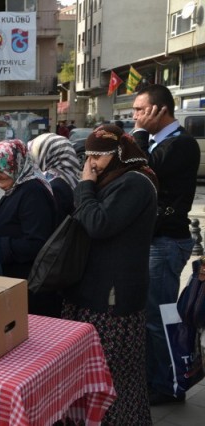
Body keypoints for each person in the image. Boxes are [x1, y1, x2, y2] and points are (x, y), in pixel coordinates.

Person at [61, 125, 158, 423]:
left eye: (99, 155)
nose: (91, 163)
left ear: (118, 153)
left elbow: (98, 224)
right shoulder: (113, 180)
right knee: (88, 378)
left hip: (113, 303)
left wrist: (85, 186)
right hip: (92, 294)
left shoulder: (135, 183)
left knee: (113, 381)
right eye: (88, 155)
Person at [131, 84, 201, 405]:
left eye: (139, 110)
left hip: (166, 242)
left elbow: (141, 170)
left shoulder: (181, 144)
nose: (135, 117)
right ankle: (154, 377)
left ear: (160, 110)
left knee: (159, 318)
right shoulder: (164, 142)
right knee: (150, 315)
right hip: (154, 240)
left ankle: (168, 385)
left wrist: (140, 134)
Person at [0, 140, 57, 316]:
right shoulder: (17, 187)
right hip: (14, 286)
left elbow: (37, 243)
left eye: (1, 168)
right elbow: (15, 223)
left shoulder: (33, 192)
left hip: (28, 293)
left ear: (18, 164)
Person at [27, 133, 81, 225]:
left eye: (34, 154)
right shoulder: (69, 176)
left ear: (46, 154)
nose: (31, 160)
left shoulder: (52, 186)